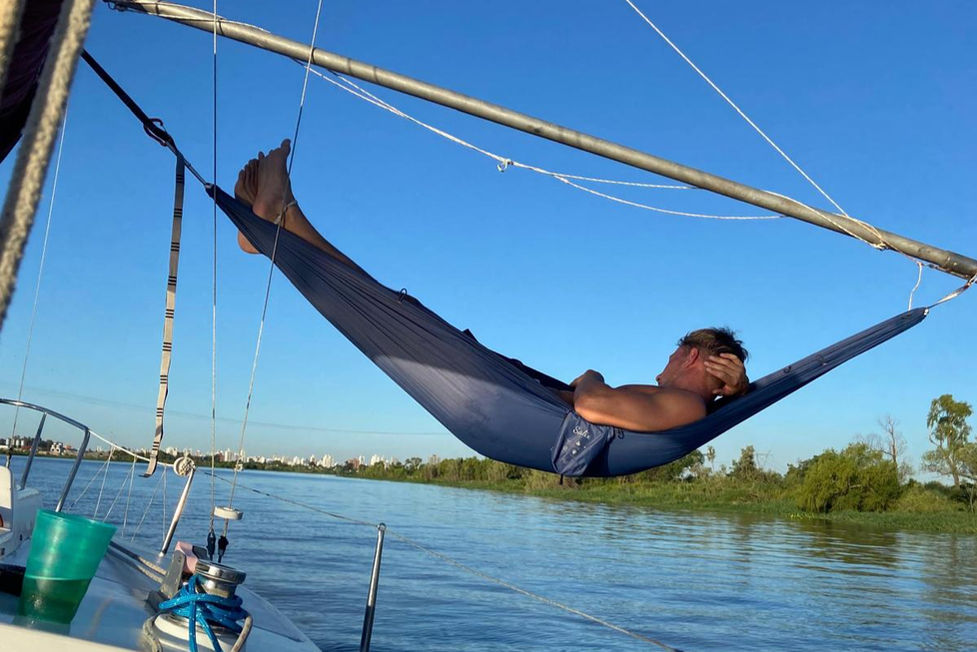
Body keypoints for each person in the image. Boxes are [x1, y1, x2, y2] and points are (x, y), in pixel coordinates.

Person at [234, 139, 749, 434]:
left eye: (676, 348)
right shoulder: (684, 407)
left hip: (507, 406)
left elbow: (591, 406)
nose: (668, 356)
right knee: (391, 307)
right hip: (510, 397)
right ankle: (276, 231)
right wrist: (737, 396)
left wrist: (592, 375)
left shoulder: (687, 406)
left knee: (388, 308)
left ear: (694, 357)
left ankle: (281, 221)